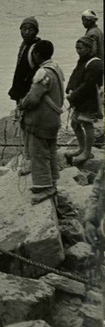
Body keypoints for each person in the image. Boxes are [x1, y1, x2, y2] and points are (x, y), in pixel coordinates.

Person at [17, 40, 65, 205]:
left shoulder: (42, 73)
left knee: (39, 153)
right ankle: (52, 182)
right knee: (50, 152)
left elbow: (33, 98)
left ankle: (44, 186)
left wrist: (22, 105)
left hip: (41, 121)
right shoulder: (56, 69)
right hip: (53, 119)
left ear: (37, 54)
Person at [65, 35, 104, 166]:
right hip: (80, 99)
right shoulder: (82, 60)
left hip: (90, 100)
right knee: (75, 124)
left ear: (89, 48)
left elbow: (88, 85)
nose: (78, 51)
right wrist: (69, 88)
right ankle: (81, 148)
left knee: (87, 124)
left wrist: (74, 95)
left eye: (80, 48)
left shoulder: (95, 63)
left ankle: (87, 151)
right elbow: (74, 76)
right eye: (76, 48)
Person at [8, 17, 41, 102]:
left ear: (36, 31)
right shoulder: (24, 45)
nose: (27, 32)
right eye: (24, 29)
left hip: (28, 94)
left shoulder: (37, 48)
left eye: (30, 29)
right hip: (21, 92)